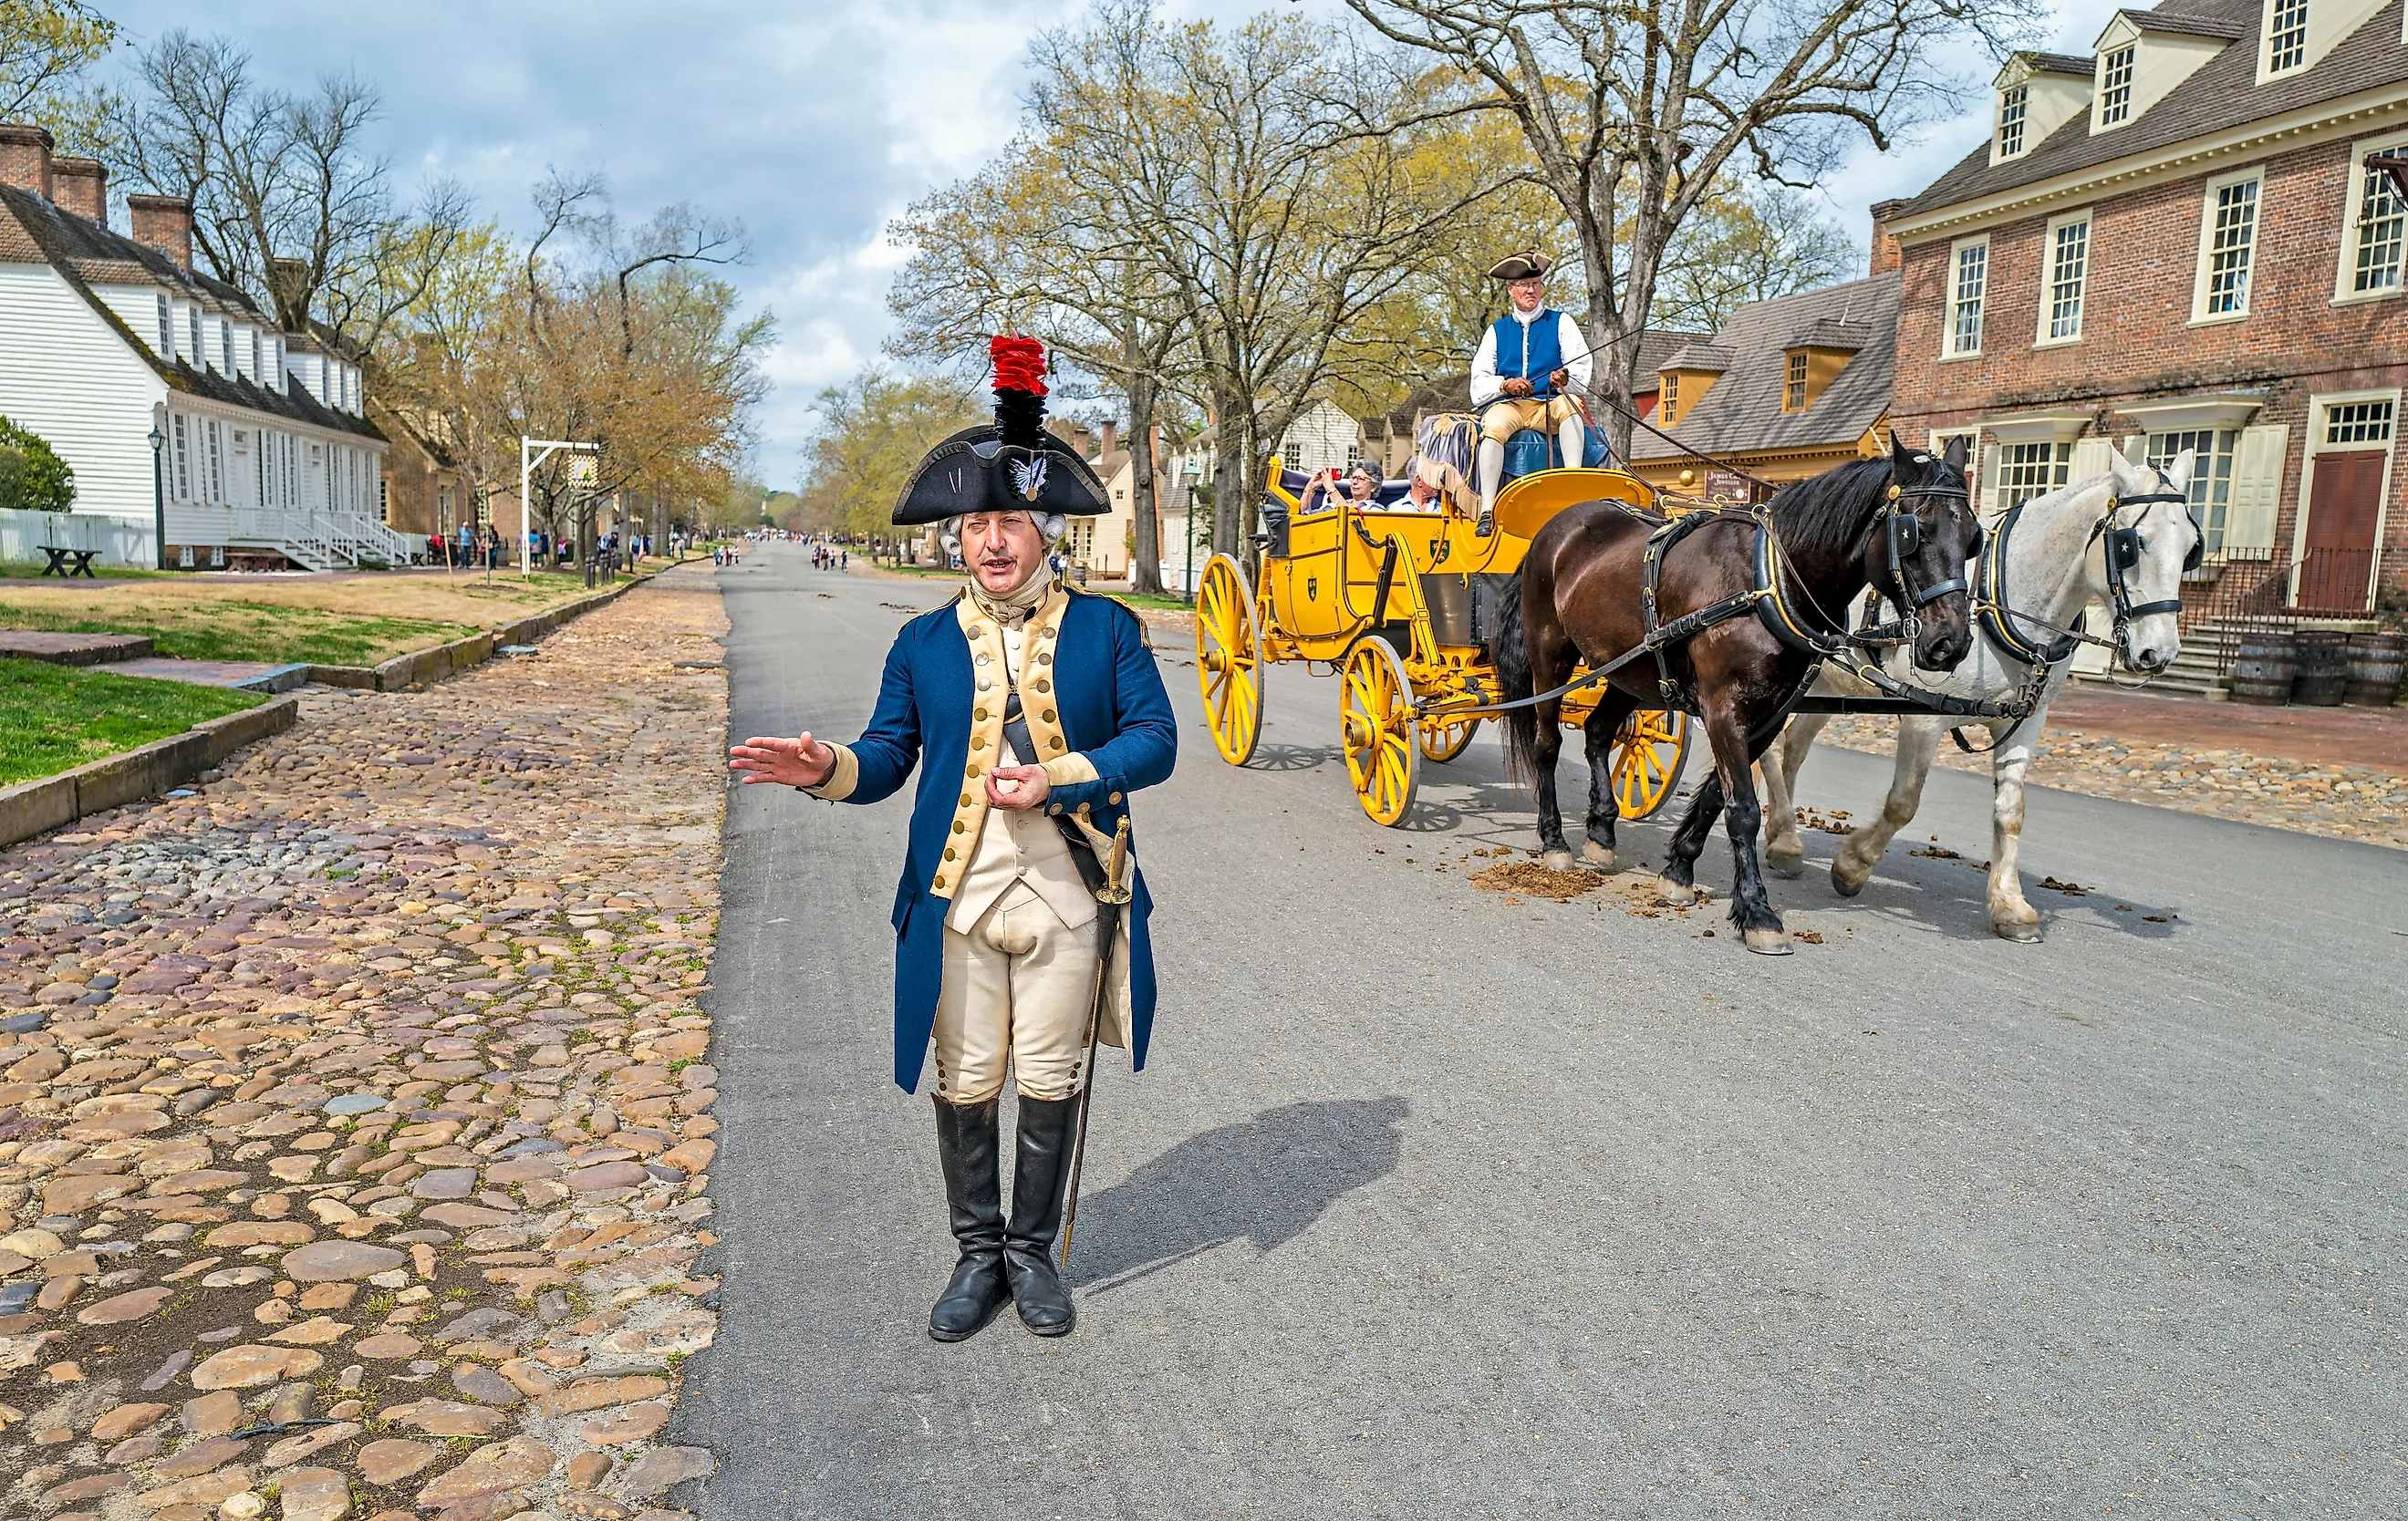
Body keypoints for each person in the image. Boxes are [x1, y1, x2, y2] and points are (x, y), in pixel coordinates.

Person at [728, 336, 1176, 1344]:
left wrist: (1061, 775)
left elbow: (1155, 742)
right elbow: (888, 756)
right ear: (956, 540)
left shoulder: (1111, 632)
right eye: (976, 525)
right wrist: (829, 768)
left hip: (1070, 893)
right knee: (968, 1079)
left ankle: (1033, 1254)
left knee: (1050, 1075)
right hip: (959, 899)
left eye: (1010, 521)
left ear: (1044, 531)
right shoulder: (920, 642)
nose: (992, 542)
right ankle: (978, 1256)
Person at [1470, 251, 1592, 534]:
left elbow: (1581, 369)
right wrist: (1504, 385)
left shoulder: (1562, 322)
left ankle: (1572, 491)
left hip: (1547, 405)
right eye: (1524, 286)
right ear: (1511, 290)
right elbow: (1478, 383)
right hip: (1509, 405)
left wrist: (1565, 379)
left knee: (1572, 405)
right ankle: (1488, 510)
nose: (1531, 291)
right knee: (1493, 427)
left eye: (1536, 284)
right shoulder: (1496, 331)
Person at [1298, 460, 1382, 517]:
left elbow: (1350, 519)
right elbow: (1305, 516)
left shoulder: (1377, 511)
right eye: (1353, 477)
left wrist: (1331, 489)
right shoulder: (1332, 505)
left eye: (1361, 479)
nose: (1355, 482)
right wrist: (1310, 488)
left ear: (1373, 487)